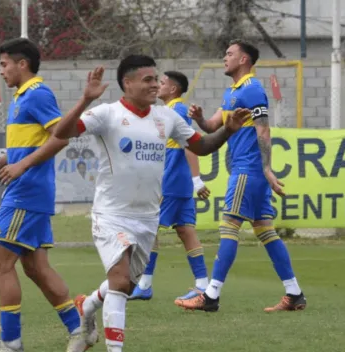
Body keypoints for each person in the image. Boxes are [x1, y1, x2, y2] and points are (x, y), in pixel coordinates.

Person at [52, 56, 250, 352]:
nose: (156, 85)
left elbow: (202, 146)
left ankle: (87, 306)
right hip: (111, 214)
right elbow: (61, 132)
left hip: (146, 218)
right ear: (127, 83)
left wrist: (228, 130)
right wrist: (84, 99)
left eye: (156, 79)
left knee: (126, 286)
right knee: (119, 280)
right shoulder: (107, 113)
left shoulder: (167, 117)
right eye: (148, 80)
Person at [0, 38, 95, 352]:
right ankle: (79, 331)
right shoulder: (21, 96)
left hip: (27, 192)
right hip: (28, 189)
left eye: (4, 64)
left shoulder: (38, 93)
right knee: (36, 268)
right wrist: (1, 163)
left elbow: (62, 137)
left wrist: (21, 167)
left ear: (22, 64)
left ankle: (11, 343)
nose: (1, 70)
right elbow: (31, 143)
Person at [175, 39, 307, 313]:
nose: (225, 58)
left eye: (230, 54)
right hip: (248, 171)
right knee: (265, 231)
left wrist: (267, 168)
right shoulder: (232, 92)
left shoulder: (253, 89)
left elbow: (264, 131)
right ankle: (294, 293)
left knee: (229, 227)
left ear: (244, 59)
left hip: (248, 170)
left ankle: (210, 296)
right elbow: (213, 126)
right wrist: (199, 118)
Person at [129, 71, 211, 304]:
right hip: (178, 182)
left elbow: (189, 145)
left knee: (150, 230)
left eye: (162, 83)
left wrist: (197, 181)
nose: (157, 85)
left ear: (173, 89)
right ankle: (202, 285)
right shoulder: (169, 111)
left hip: (172, 181)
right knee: (186, 231)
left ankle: (144, 284)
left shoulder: (177, 111)